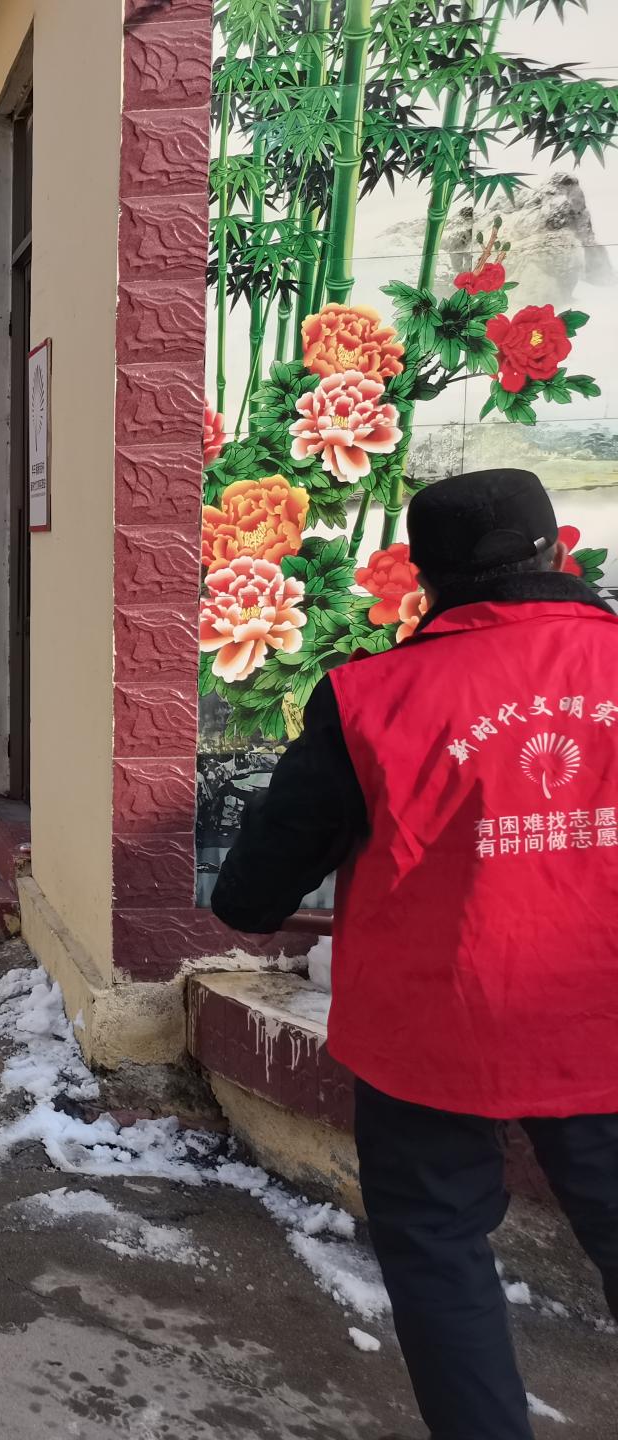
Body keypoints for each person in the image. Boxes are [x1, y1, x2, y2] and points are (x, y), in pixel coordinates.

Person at [212, 470, 618, 1440]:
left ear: (423, 579)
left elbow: (255, 892)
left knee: (438, 1248)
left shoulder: (372, 697)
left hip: (435, 1031)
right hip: (605, 1019)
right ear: (556, 550)